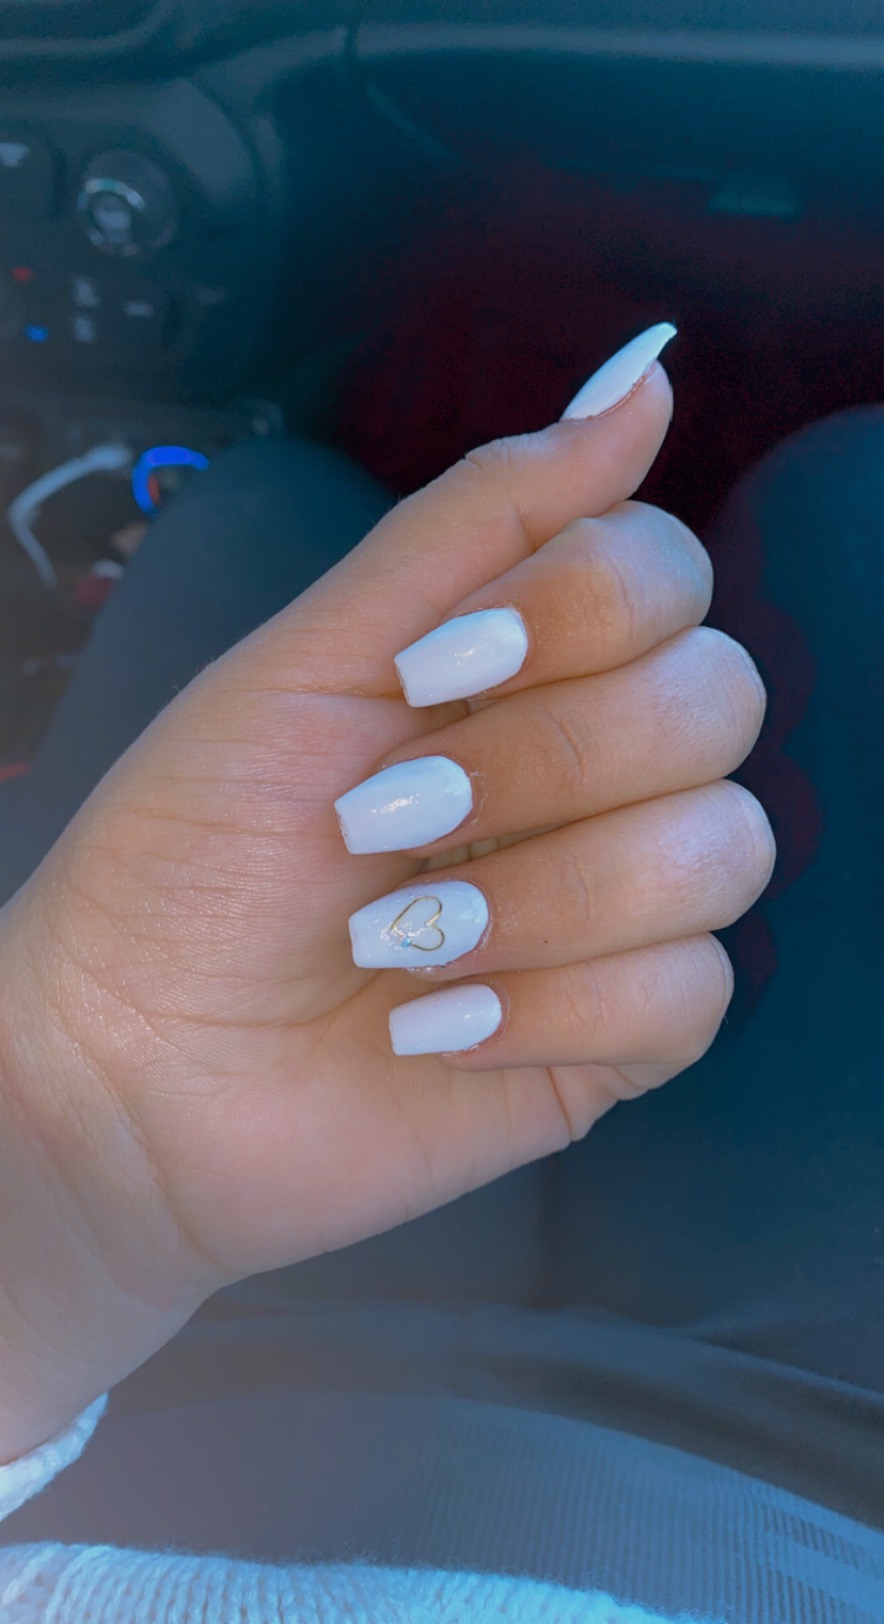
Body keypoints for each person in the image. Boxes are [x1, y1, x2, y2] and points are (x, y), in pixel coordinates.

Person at [0, 325, 880, 1622]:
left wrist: (58, 1161)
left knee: (260, 513)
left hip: (148, 1380)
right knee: (854, 502)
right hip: (821, 1484)